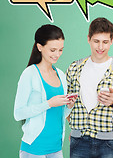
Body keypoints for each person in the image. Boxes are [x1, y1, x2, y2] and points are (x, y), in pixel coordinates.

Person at [66, 17, 113, 158]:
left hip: (109, 143)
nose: (100, 47)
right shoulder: (74, 68)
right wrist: (75, 126)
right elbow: (64, 105)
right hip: (79, 141)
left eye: (105, 42)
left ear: (112, 41)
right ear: (88, 39)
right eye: (96, 41)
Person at [14, 24, 74, 158]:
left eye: (60, 50)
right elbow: (18, 113)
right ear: (39, 47)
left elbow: (57, 115)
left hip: (56, 148)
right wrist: (48, 103)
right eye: (52, 50)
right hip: (34, 148)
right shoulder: (29, 74)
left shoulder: (61, 75)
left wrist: (69, 106)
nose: (57, 54)